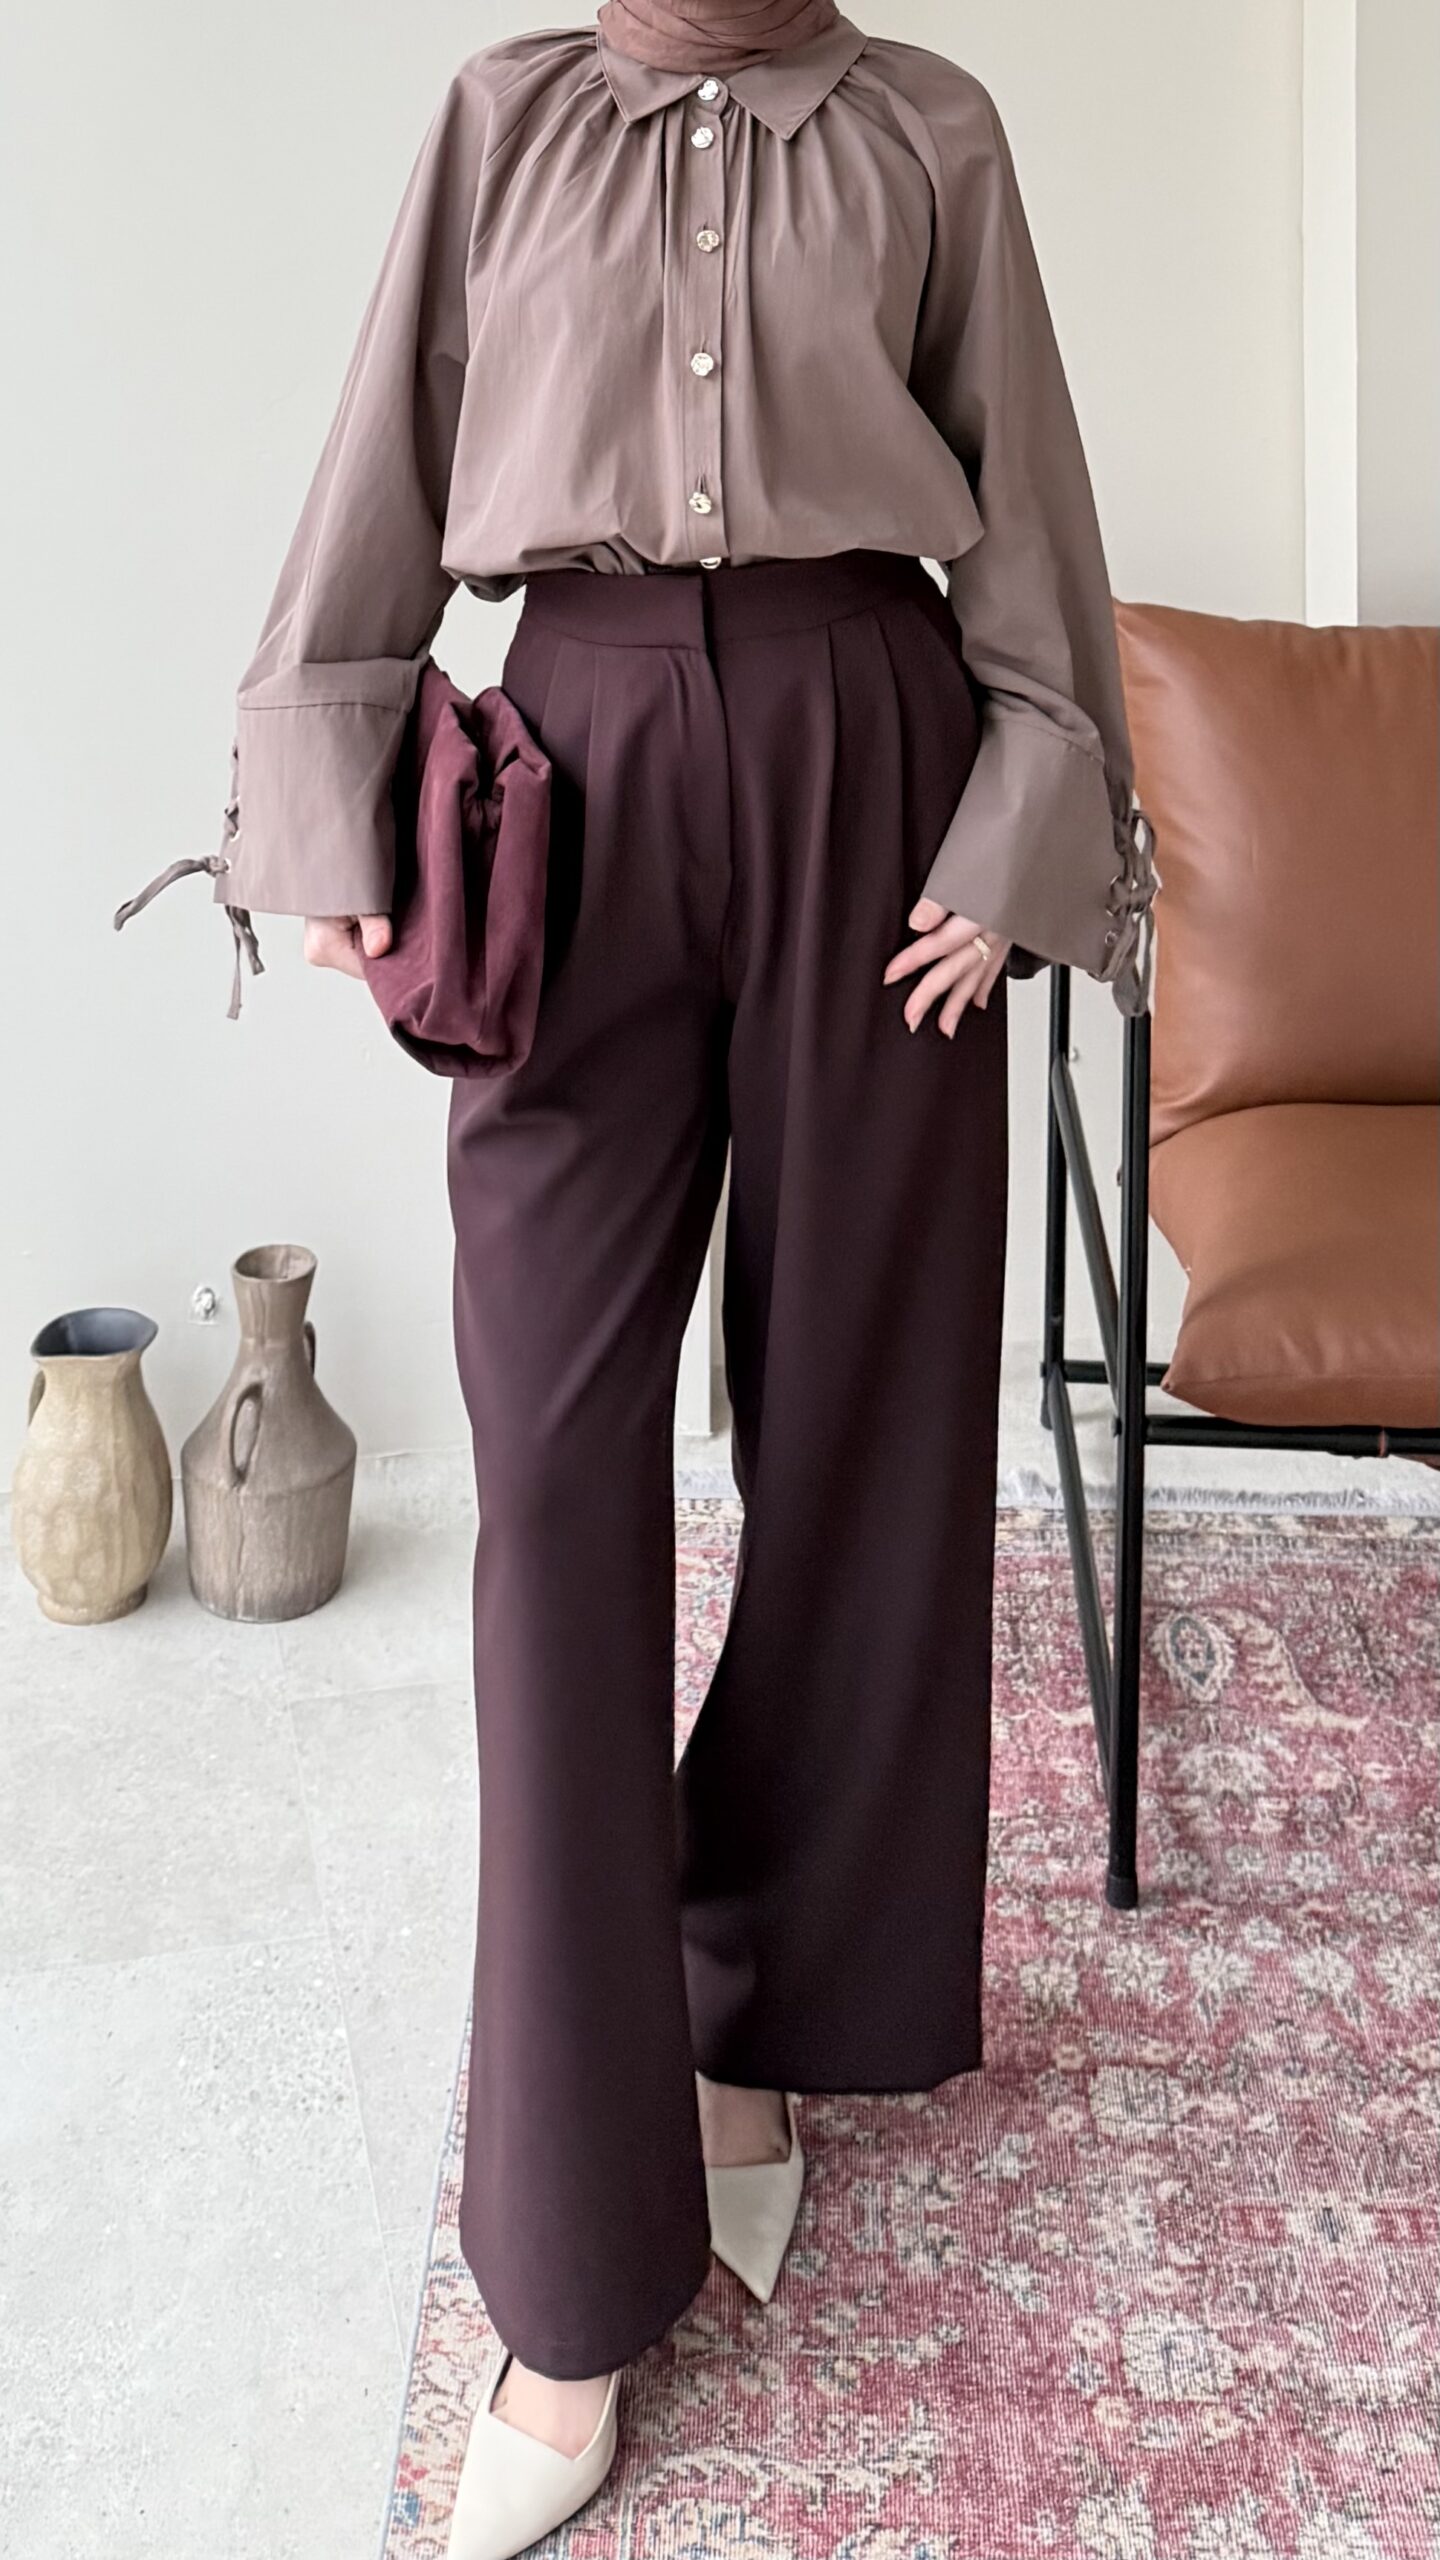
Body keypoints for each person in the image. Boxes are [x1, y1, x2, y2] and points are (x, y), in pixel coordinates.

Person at [213, 5, 1156, 2553]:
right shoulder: (504, 123)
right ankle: (565, 2263)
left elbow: (1029, 503)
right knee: (551, 1488)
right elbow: (390, 454)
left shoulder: (932, 131)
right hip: (576, 772)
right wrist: (322, 799)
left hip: (878, 772)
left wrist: (1025, 820)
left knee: (857, 1430)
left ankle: (760, 2017)